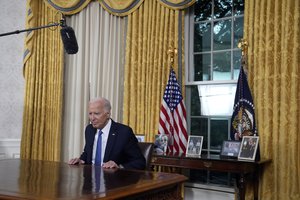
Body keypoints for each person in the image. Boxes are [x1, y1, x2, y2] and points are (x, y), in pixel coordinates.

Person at [68, 97, 146, 170]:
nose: (92, 118)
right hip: (90, 179)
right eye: (90, 113)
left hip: (113, 180)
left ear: (107, 114)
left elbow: (140, 162)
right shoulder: (89, 129)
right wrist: (80, 160)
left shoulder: (124, 132)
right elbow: (87, 153)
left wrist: (119, 166)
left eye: (96, 113)